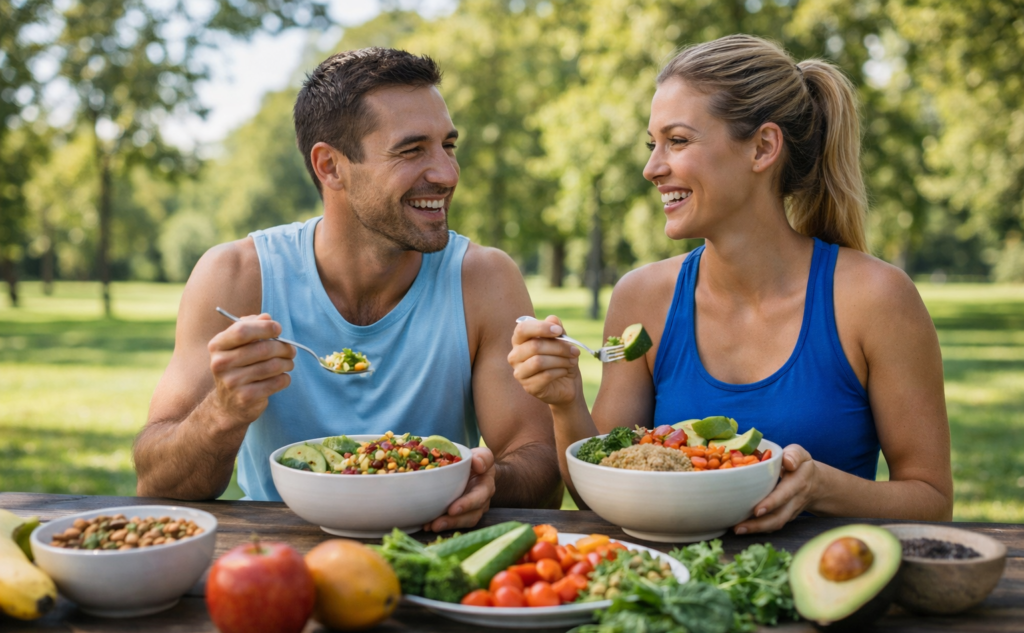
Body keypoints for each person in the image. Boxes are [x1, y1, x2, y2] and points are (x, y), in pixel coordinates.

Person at [509, 35, 953, 534]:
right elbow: (604, 496)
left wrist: (822, 488)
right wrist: (564, 401)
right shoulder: (642, 299)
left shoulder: (876, 299)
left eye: (677, 141)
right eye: (652, 143)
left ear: (762, 147)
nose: (652, 167)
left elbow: (932, 501)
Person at [134, 48, 562, 531]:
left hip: (432, 549)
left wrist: (488, 481)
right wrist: (222, 412)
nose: (446, 173)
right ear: (330, 166)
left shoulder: (483, 279)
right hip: (274, 561)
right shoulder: (236, 276)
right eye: (412, 150)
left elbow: (541, 468)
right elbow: (157, 483)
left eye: (448, 146)